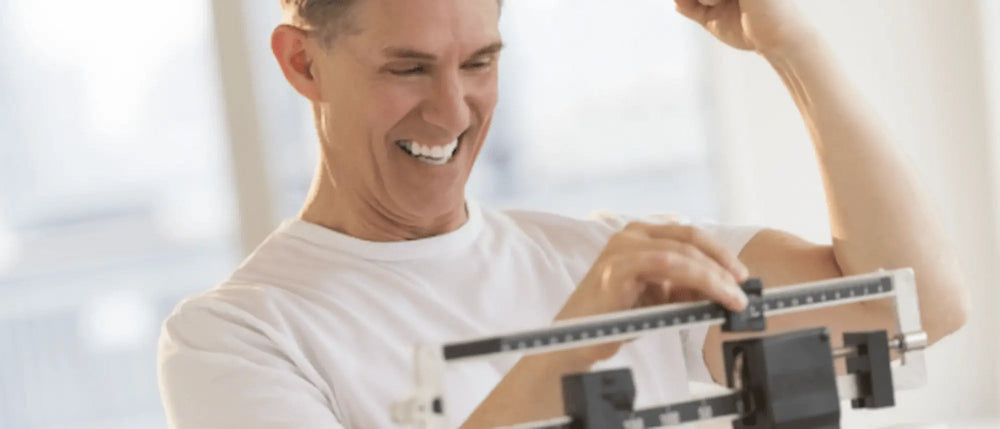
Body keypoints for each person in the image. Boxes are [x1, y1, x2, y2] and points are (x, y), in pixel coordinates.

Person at [157, 0, 971, 427]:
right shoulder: (236, 337)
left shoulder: (608, 259)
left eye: (479, 62)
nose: (451, 112)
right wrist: (580, 339)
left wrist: (790, 43)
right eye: (407, 69)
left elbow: (911, 307)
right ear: (304, 63)